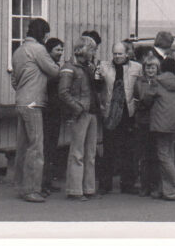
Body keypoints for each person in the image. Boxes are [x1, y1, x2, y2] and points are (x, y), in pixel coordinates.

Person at [9, 17, 60, 203]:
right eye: (46, 35)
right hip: (34, 103)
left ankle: (21, 185)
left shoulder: (19, 51)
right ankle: (31, 190)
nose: (47, 38)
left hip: (21, 101)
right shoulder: (38, 49)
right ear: (42, 34)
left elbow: (14, 80)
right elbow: (54, 71)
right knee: (36, 147)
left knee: (23, 146)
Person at [58, 36, 104, 201]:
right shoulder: (69, 68)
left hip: (91, 112)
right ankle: (75, 189)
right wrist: (77, 107)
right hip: (81, 112)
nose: (93, 53)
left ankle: (88, 188)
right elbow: (63, 92)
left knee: (90, 153)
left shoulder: (89, 67)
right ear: (82, 50)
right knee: (77, 152)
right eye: (91, 50)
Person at [140, 56, 175, 201]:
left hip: (160, 124)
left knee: (163, 157)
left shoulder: (157, 82)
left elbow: (146, 99)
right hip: (174, 124)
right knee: (169, 156)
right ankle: (168, 190)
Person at [99, 40, 142, 194]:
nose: (117, 57)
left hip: (128, 113)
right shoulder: (104, 67)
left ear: (127, 54)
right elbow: (98, 85)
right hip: (111, 113)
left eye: (120, 54)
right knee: (109, 149)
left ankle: (128, 184)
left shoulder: (137, 67)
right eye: (115, 54)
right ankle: (105, 184)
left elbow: (141, 87)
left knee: (128, 150)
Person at [133, 53, 162, 196]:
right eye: (148, 68)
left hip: (157, 122)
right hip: (143, 121)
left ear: (157, 69)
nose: (150, 70)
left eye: (153, 68)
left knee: (155, 155)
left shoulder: (160, 81)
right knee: (144, 156)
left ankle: (155, 184)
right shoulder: (139, 82)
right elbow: (139, 100)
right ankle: (145, 185)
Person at [41, 37, 66, 194]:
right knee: (46, 147)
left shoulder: (56, 67)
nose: (60, 53)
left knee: (52, 147)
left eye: (61, 50)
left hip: (55, 111)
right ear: (49, 51)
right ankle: (43, 182)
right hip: (47, 110)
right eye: (57, 50)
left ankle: (48, 181)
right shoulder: (49, 68)